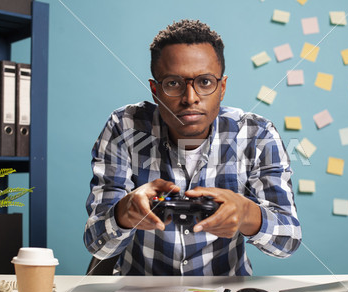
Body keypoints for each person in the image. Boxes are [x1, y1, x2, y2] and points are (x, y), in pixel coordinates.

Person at [85, 19, 301, 275]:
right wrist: (123, 212)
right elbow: (97, 245)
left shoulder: (257, 134)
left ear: (222, 88)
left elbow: (289, 241)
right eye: (173, 83)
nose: (190, 98)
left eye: (205, 82)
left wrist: (247, 214)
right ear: (155, 91)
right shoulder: (125, 127)